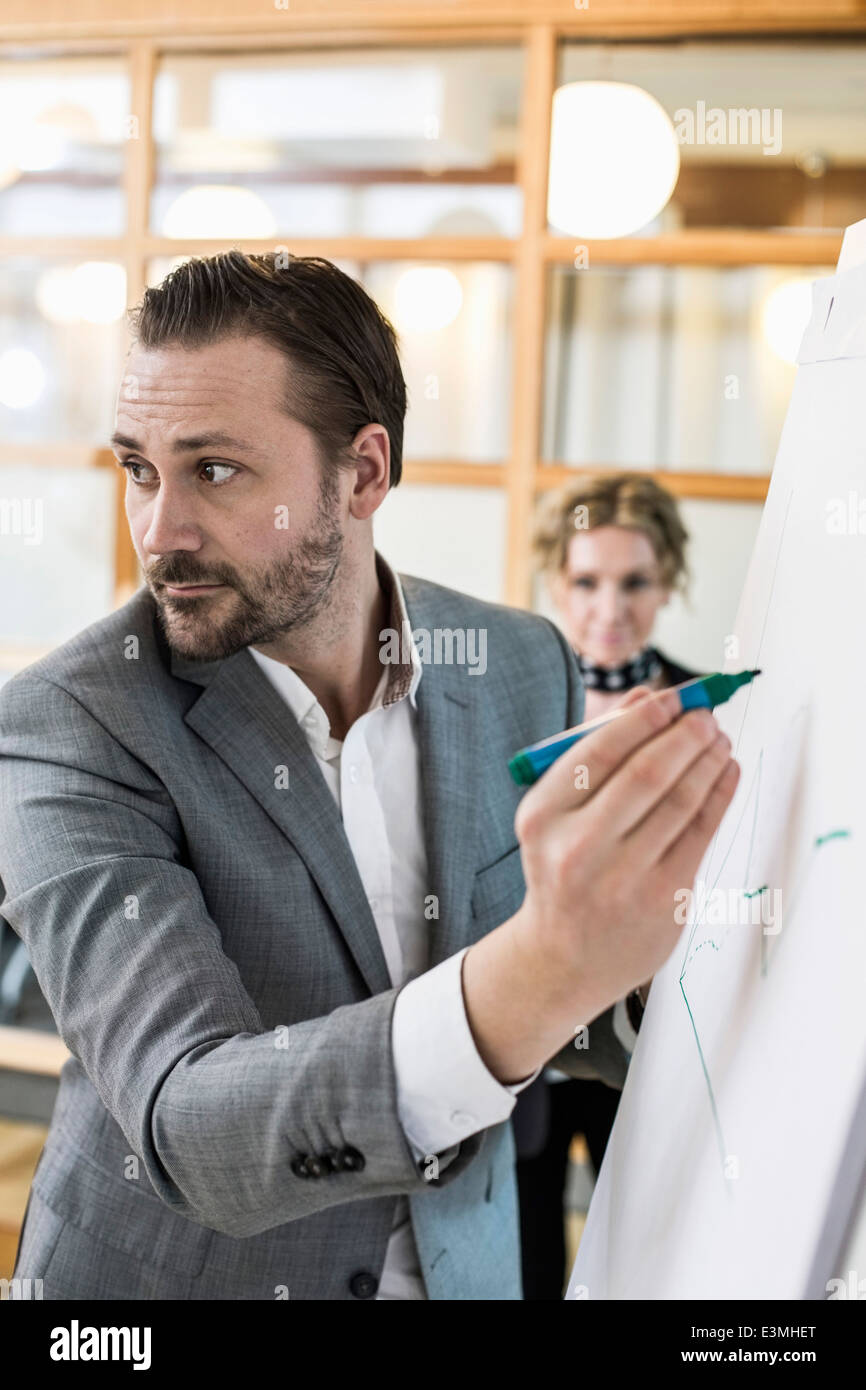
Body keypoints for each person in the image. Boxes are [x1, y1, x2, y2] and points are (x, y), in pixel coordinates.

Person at [1, 253, 738, 1300]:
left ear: (362, 474)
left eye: (213, 470)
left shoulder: (520, 660)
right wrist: (541, 963)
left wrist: (704, 964)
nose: (158, 533)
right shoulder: (72, 721)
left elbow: (557, 992)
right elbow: (189, 1123)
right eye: (137, 469)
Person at [514, 472, 699, 1299]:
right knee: (525, 1256)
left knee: (640, 1256)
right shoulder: (508, 710)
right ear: (557, 582)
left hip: (648, 1033)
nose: (609, 607)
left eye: (635, 581)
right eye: (587, 581)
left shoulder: (710, 712)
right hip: (525, 1034)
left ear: (669, 586)